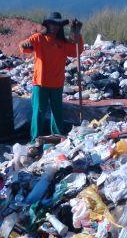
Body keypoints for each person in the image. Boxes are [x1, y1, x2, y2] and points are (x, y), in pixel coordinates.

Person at [19, 12, 84, 141]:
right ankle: (35, 140)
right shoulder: (38, 38)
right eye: (52, 23)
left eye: (58, 24)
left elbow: (77, 50)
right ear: (47, 24)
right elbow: (24, 47)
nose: (55, 26)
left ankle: (58, 137)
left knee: (57, 113)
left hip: (57, 83)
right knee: (38, 112)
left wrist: (77, 33)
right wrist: (24, 44)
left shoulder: (63, 43)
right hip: (40, 83)